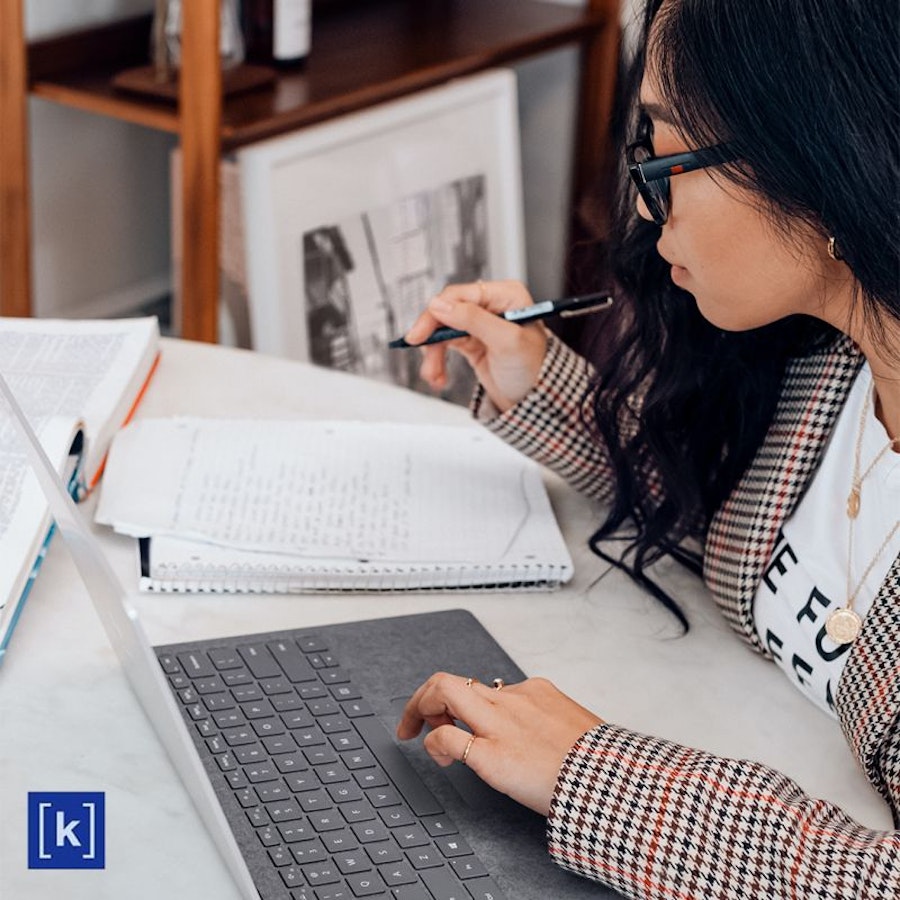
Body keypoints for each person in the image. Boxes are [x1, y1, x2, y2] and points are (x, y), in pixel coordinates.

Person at [395, 0, 900, 896]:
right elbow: (722, 510)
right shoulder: (837, 363)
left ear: (822, 155)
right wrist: (535, 379)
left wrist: (595, 777)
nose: (641, 199)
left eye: (666, 158)